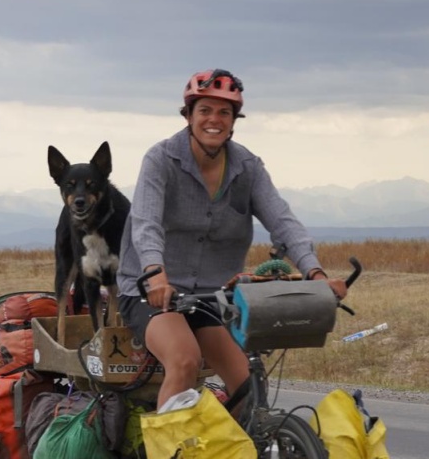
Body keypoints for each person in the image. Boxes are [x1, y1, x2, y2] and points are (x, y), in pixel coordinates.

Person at [116, 68, 348, 407]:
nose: (215, 120)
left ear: (234, 120)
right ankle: (170, 442)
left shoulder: (247, 167)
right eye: (205, 110)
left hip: (210, 296)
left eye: (224, 112)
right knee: (185, 360)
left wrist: (316, 274)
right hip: (152, 294)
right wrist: (156, 276)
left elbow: (283, 222)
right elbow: (146, 223)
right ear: (189, 116)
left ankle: (243, 441)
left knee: (247, 383)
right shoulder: (161, 159)